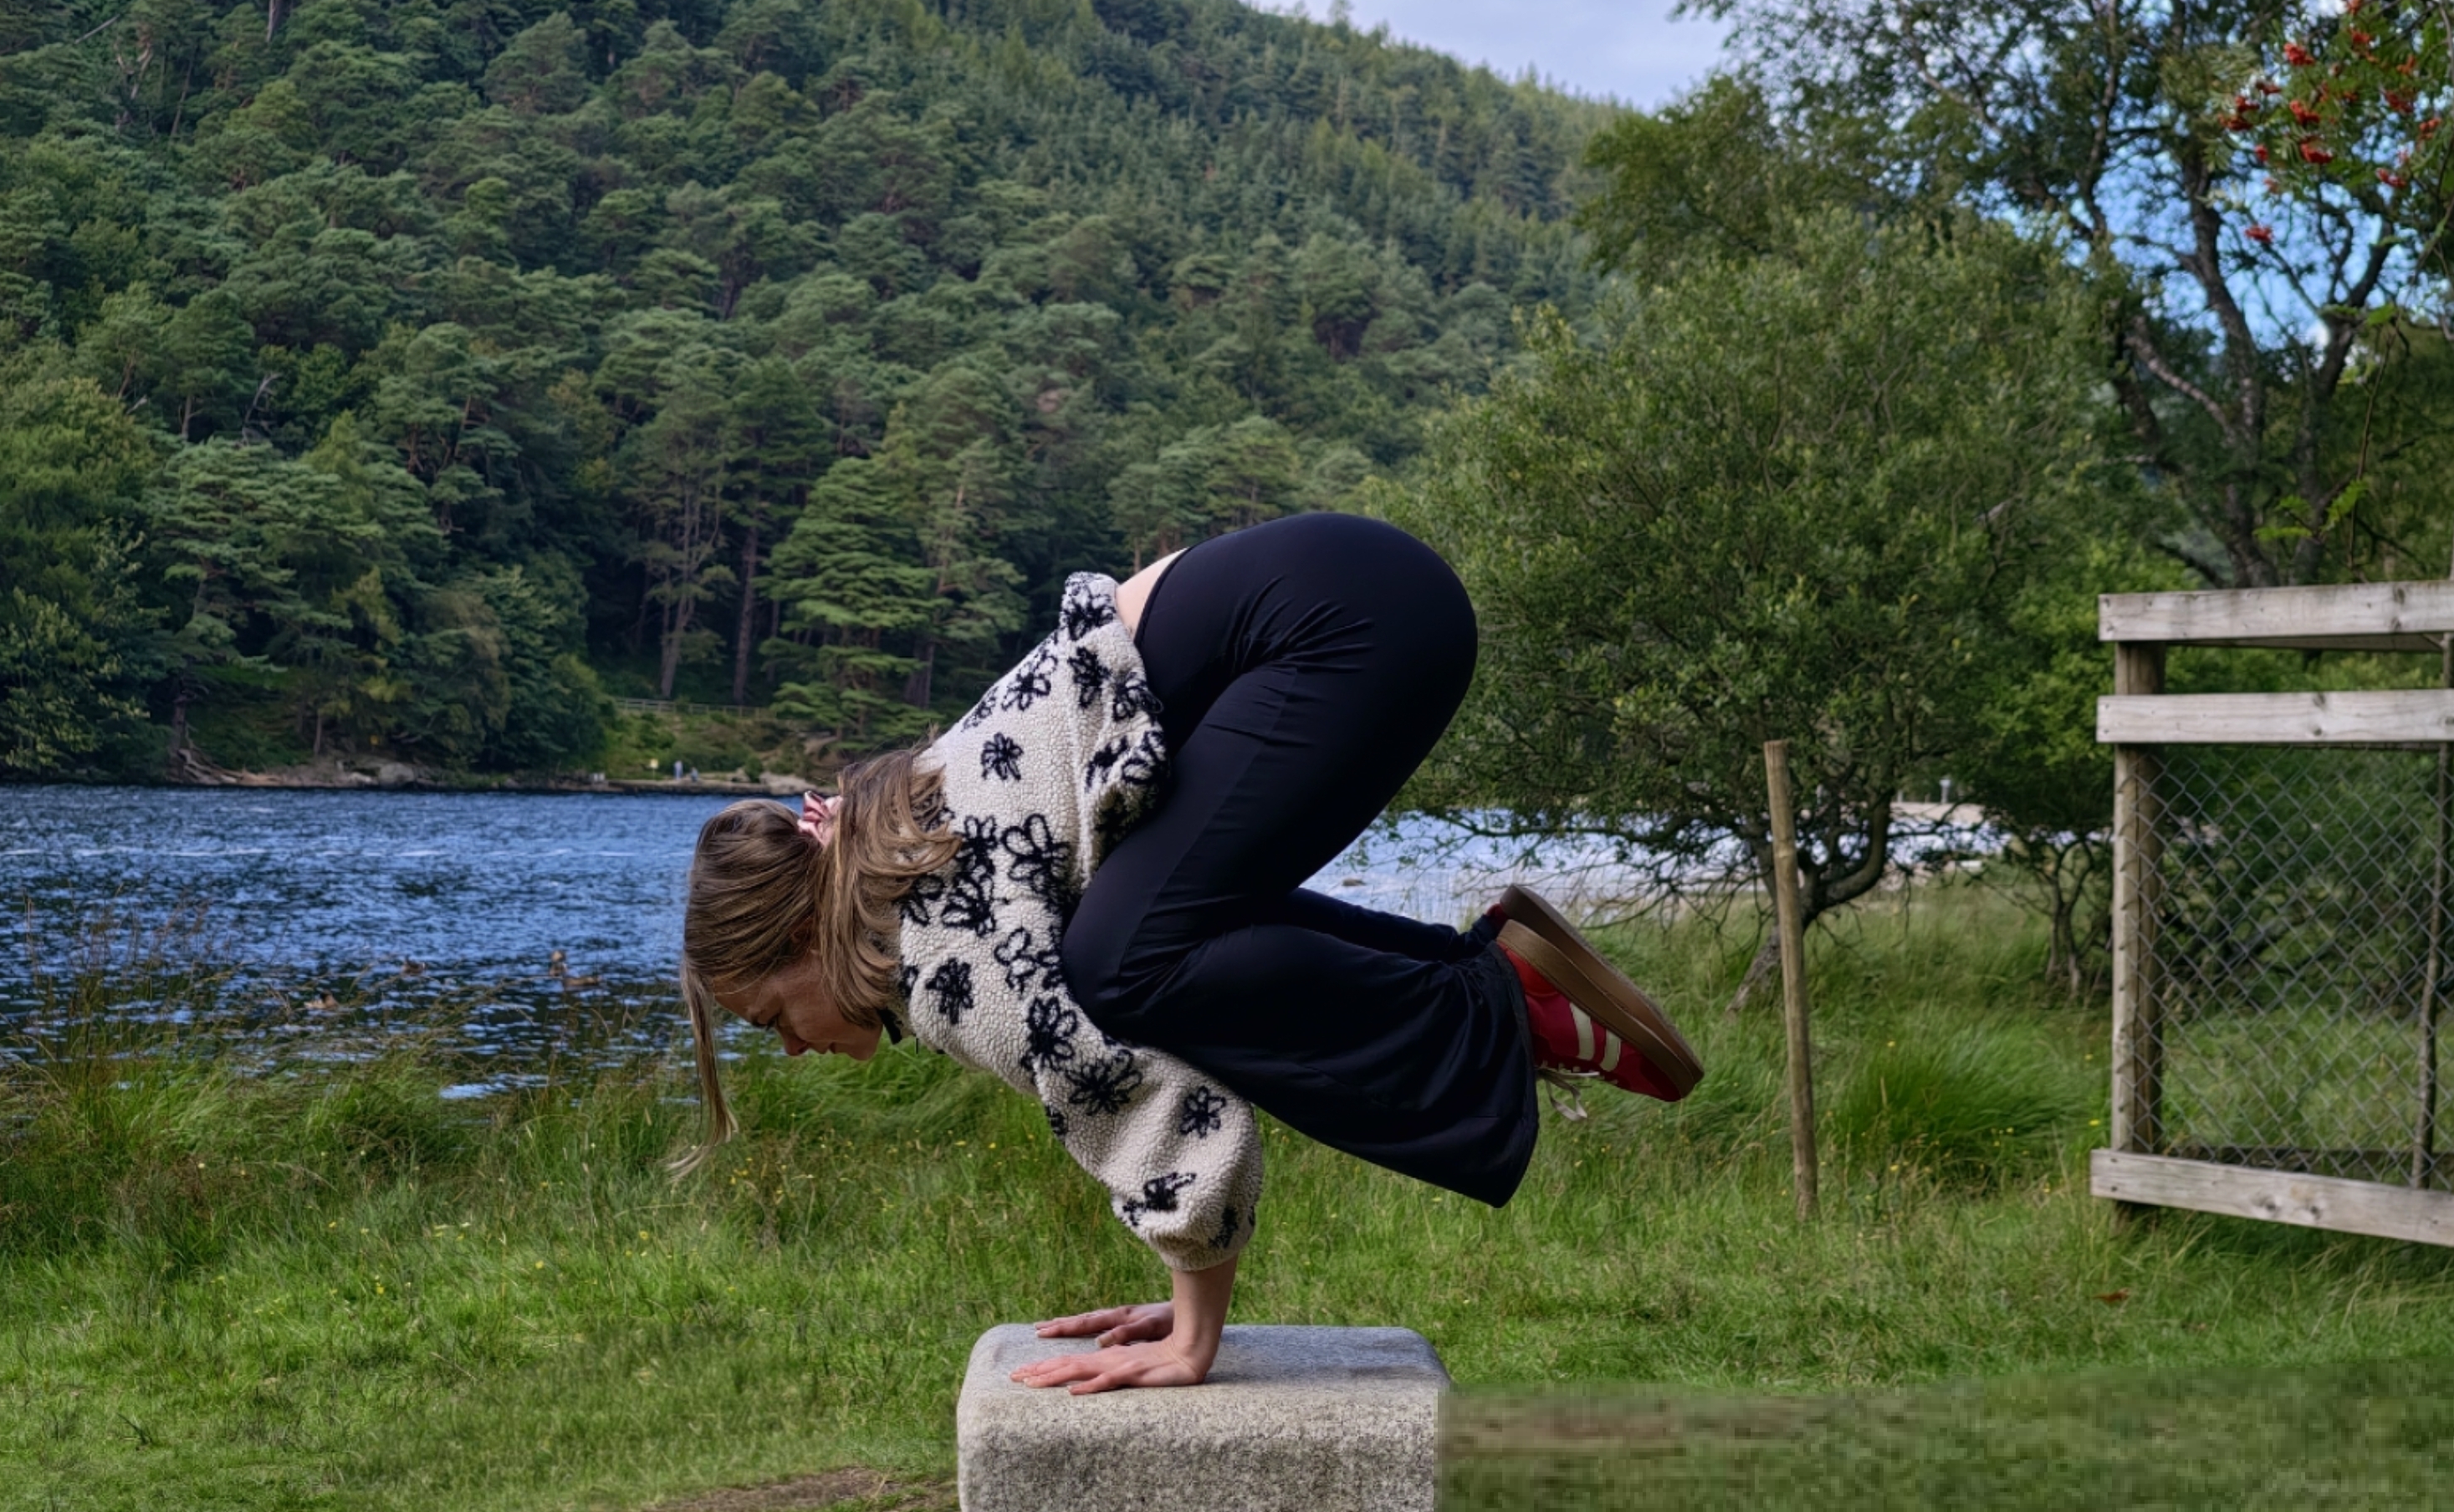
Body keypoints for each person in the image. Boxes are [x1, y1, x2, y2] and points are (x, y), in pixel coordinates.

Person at [680, 512, 1700, 1393]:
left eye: (773, 1019)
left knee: (1120, 964)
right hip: (1364, 594)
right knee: (1136, 944)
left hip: (1342, 628)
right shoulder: (910, 842)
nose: (796, 1051)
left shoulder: (949, 955)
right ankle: (1497, 989)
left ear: (806, 933)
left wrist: (1191, 1332)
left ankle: (1506, 1006)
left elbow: (1144, 1102)